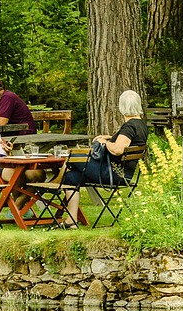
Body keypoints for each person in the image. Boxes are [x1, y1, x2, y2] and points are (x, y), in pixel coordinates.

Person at [60, 89, 148, 226]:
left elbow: (118, 149)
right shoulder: (140, 125)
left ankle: (53, 185)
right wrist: (108, 137)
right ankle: (71, 221)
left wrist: (104, 143)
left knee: (74, 156)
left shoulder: (129, 127)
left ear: (121, 106)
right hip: (124, 174)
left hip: (113, 174)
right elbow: (126, 140)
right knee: (71, 177)